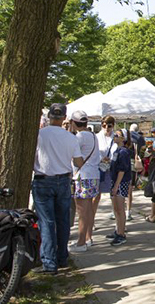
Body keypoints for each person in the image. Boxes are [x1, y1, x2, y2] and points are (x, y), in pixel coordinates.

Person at [32, 103, 84, 274]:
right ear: (64, 118)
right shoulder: (70, 137)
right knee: (63, 221)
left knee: (46, 222)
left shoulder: (39, 135)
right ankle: (62, 257)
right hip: (63, 180)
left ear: (49, 117)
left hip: (43, 179)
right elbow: (78, 162)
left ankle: (49, 261)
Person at [69, 111, 101, 252]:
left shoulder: (79, 136)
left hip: (82, 175)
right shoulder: (93, 136)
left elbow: (73, 155)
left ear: (74, 123)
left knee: (82, 211)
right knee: (88, 209)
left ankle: (81, 242)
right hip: (93, 175)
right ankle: (88, 238)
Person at [106, 129, 132, 246]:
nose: (114, 136)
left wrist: (116, 185)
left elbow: (122, 170)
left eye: (118, 135)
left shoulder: (124, 152)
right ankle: (118, 230)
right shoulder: (117, 150)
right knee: (116, 209)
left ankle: (121, 233)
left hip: (120, 183)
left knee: (120, 209)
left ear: (123, 138)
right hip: (115, 181)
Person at [94, 116, 115, 222]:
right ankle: (91, 221)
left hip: (112, 168)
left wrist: (111, 159)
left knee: (114, 195)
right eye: (104, 125)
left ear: (113, 126)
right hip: (99, 168)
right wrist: (101, 158)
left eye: (109, 125)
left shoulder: (115, 137)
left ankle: (118, 222)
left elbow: (118, 151)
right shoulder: (96, 137)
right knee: (96, 195)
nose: (106, 127)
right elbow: (94, 152)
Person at [126, 124, 145, 221]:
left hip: (124, 163)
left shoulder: (126, 135)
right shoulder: (140, 138)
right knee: (130, 190)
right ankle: (128, 212)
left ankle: (115, 211)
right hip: (133, 163)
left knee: (119, 190)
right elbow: (144, 152)